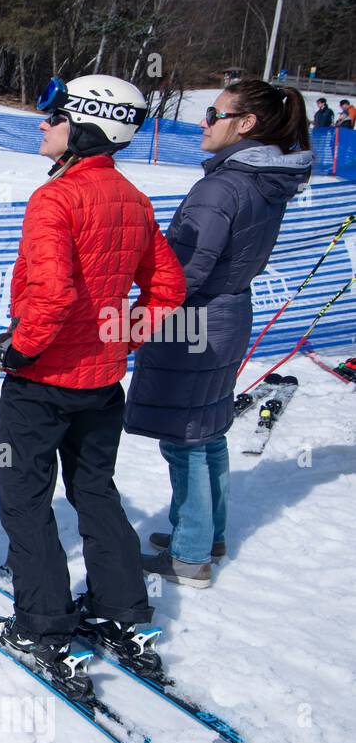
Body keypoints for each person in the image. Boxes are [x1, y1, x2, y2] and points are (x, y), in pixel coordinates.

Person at [0, 74, 186, 679]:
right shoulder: (131, 196)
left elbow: (54, 293)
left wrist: (18, 348)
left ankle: (42, 626)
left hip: (43, 385)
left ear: (86, 127)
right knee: (94, 492)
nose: (41, 125)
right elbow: (168, 289)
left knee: (25, 501)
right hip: (100, 385)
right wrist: (118, 336)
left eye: (53, 116)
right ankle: (123, 611)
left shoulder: (58, 198)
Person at [125, 80, 312, 586]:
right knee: (207, 430)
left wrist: (140, 314)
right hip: (228, 315)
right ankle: (209, 533)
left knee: (185, 438)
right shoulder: (259, 179)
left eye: (214, 113)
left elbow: (184, 271)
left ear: (245, 124)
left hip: (197, 321)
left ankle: (190, 554)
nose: (204, 122)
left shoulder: (222, 186)